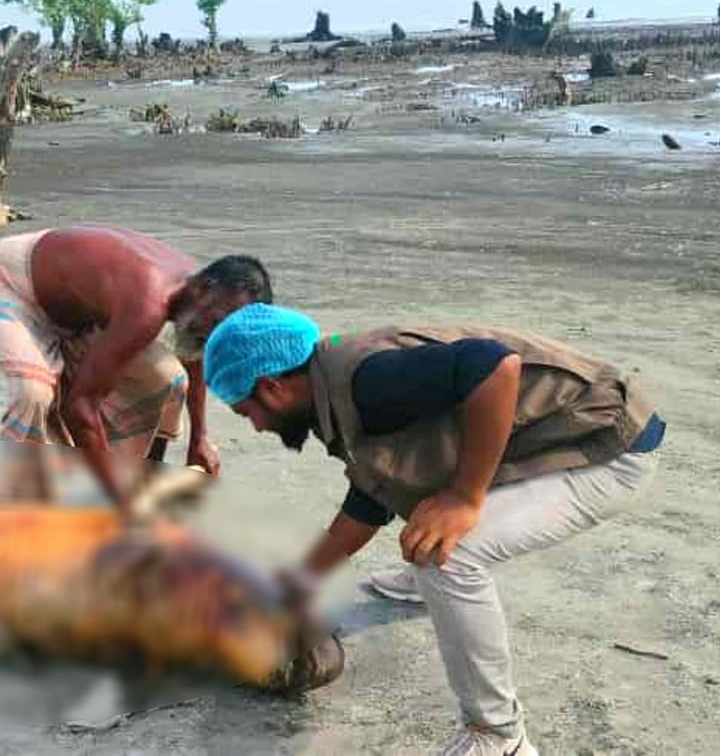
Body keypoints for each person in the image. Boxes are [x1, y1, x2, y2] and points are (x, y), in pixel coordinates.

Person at [201, 303, 666, 756]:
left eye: (247, 412)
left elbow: (492, 366)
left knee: (449, 555)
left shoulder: (368, 382)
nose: (257, 427)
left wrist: (466, 497)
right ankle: (428, 585)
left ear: (272, 387)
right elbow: (372, 493)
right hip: (561, 436)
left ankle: (498, 734)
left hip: (610, 448)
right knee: (421, 493)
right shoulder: (333, 380)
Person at [0, 225, 272, 517]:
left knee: (169, 381)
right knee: (33, 392)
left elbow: (194, 355)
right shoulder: (149, 304)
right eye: (217, 325)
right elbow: (81, 407)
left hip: (79, 313)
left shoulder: (201, 297)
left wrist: (200, 438)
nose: (215, 335)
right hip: (13, 285)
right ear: (205, 290)